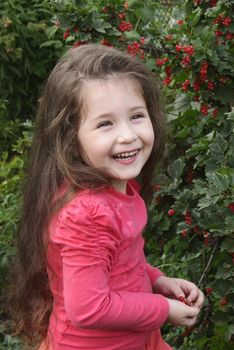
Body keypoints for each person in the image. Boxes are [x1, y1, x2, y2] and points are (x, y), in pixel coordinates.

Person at [8, 44, 204, 349]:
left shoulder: (114, 189)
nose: (127, 135)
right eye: (105, 123)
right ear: (71, 139)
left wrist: (157, 280)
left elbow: (120, 265)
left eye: (136, 116)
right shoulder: (86, 213)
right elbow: (88, 308)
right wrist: (163, 310)